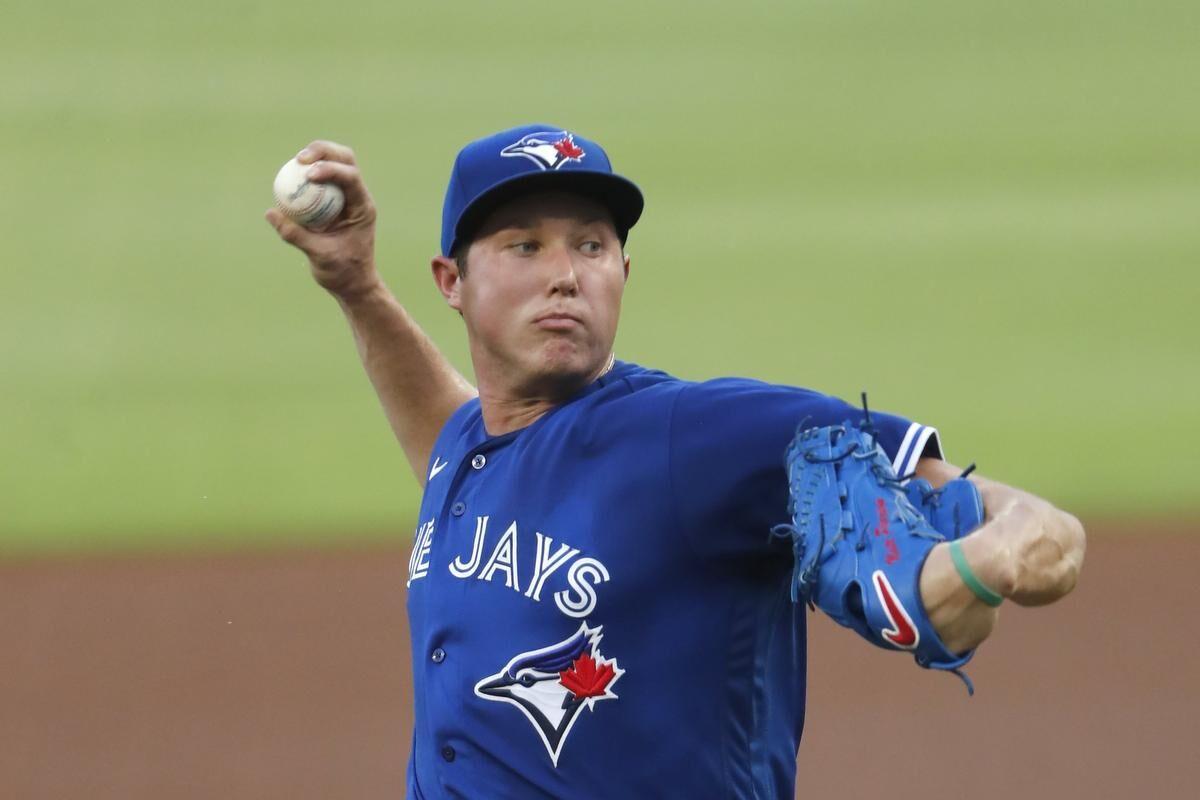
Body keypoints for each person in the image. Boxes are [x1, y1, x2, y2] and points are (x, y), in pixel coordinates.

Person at [266, 124, 1086, 799]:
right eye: (525, 246)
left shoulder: (695, 436)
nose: (564, 276)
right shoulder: (474, 451)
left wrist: (992, 558)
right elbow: (452, 431)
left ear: (623, 270)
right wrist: (358, 288)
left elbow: (1030, 525)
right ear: (452, 280)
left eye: (590, 246)